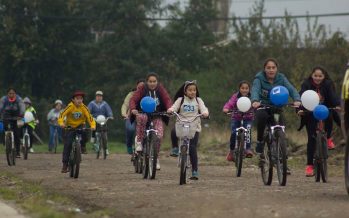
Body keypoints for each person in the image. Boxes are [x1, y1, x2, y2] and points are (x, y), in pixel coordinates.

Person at [251, 58, 301, 155]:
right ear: (264, 69)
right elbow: (255, 90)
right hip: (263, 105)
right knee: (262, 117)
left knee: (280, 125)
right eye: (268, 68)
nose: (271, 70)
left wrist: (297, 99)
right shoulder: (259, 78)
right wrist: (255, 100)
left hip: (276, 106)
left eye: (273, 67)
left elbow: (291, 89)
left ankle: (282, 160)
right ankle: (260, 141)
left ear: (276, 69)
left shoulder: (281, 78)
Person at [298, 66, 341, 176]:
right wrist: (299, 110)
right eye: (315, 76)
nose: (317, 78)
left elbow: (333, 96)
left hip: (325, 110)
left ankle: (328, 138)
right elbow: (301, 98)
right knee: (311, 139)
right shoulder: (306, 84)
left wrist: (337, 105)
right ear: (312, 76)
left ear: (324, 76)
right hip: (310, 112)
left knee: (330, 116)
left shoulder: (327, 84)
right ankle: (309, 166)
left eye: (320, 76)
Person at [129, 73, 172, 170]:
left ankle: (155, 158)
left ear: (157, 82)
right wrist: (133, 109)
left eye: (154, 81)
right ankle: (139, 142)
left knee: (159, 135)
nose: (152, 83)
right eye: (150, 81)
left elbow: (167, 99)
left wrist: (170, 109)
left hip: (157, 115)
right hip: (143, 113)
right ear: (146, 82)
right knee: (141, 118)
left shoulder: (160, 89)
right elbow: (133, 100)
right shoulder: (142, 89)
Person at [167, 80, 209, 180]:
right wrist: (171, 110)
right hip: (181, 124)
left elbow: (204, 109)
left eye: (194, 90)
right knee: (173, 132)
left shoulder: (198, 100)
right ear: (185, 91)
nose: (192, 92)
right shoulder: (180, 100)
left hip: (194, 127)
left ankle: (194, 171)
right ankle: (175, 148)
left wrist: (205, 113)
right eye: (190, 90)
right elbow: (174, 107)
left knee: (192, 148)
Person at [58, 91, 96, 173]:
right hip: (70, 126)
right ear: (73, 100)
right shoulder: (70, 107)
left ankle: (82, 146)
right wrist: (61, 123)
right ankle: (65, 165)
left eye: (81, 99)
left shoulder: (84, 107)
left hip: (80, 125)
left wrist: (93, 125)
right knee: (67, 144)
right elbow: (61, 115)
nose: (79, 100)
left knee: (85, 132)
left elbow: (90, 117)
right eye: (77, 99)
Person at [223, 81, 254, 162]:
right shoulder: (235, 96)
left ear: (249, 89)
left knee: (248, 131)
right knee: (233, 133)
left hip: (248, 118)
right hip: (236, 118)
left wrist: (257, 106)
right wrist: (226, 108)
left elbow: (255, 104)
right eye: (242, 88)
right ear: (239, 89)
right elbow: (230, 103)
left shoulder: (252, 97)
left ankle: (248, 149)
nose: (244, 90)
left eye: (246, 88)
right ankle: (232, 151)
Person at [0, 88, 25, 158]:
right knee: (5, 130)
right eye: (10, 93)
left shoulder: (19, 99)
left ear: (15, 94)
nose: (11, 95)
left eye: (13, 93)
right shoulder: (3, 99)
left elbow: (22, 107)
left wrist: (21, 115)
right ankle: (7, 143)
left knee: (17, 134)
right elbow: (0, 107)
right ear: (7, 94)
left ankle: (17, 151)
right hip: (6, 117)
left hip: (17, 117)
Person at [121, 80, 144, 155]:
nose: (141, 88)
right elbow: (125, 105)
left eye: (143, 87)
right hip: (131, 117)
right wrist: (124, 114)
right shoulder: (131, 95)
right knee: (130, 129)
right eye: (139, 87)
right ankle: (129, 144)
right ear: (136, 87)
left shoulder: (148, 94)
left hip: (144, 117)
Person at [88, 90, 113, 155]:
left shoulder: (105, 104)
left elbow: (109, 110)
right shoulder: (92, 103)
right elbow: (88, 111)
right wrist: (89, 116)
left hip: (103, 120)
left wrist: (110, 116)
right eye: (98, 96)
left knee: (105, 133)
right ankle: (93, 137)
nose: (99, 97)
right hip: (95, 119)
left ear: (102, 97)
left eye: (100, 96)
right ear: (95, 97)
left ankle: (106, 148)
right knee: (94, 127)